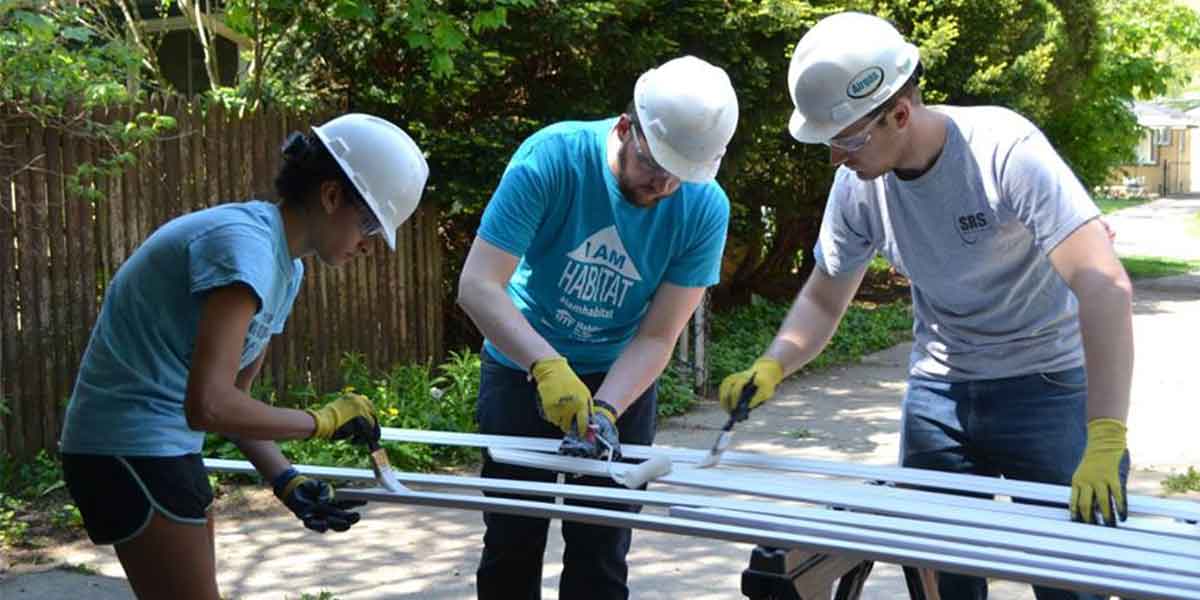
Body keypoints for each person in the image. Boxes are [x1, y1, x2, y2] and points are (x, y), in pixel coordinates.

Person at [718, 12, 1132, 600]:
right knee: (939, 576)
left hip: (1049, 386)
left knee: (1075, 580)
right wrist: (774, 363)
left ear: (901, 114)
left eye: (847, 139)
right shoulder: (859, 184)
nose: (836, 157)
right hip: (941, 393)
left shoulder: (1004, 150)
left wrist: (1106, 435)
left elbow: (1104, 286)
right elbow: (823, 296)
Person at [58, 113, 430, 600]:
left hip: (162, 446)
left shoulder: (285, 266)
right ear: (332, 195)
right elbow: (209, 407)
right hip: (128, 446)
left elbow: (235, 400)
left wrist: (286, 480)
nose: (368, 246)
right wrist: (321, 421)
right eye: (370, 226)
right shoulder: (245, 247)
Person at [456, 55, 738, 600]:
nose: (664, 184)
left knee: (601, 551)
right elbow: (478, 284)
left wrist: (607, 409)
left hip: (620, 379)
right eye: (654, 164)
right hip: (519, 367)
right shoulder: (552, 159)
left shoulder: (704, 207)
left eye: (682, 173)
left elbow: (658, 335)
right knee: (512, 541)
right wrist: (545, 365)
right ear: (625, 126)